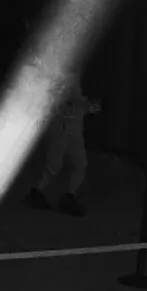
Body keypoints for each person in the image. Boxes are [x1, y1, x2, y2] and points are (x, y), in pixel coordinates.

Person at [27, 86, 99, 215]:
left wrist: (89, 107)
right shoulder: (66, 81)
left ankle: (69, 196)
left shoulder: (81, 83)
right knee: (54, 165)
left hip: (74, 131)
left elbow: (82, 106)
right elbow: (64, 100)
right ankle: (37, 192)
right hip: (60, 130)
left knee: (80, 164)